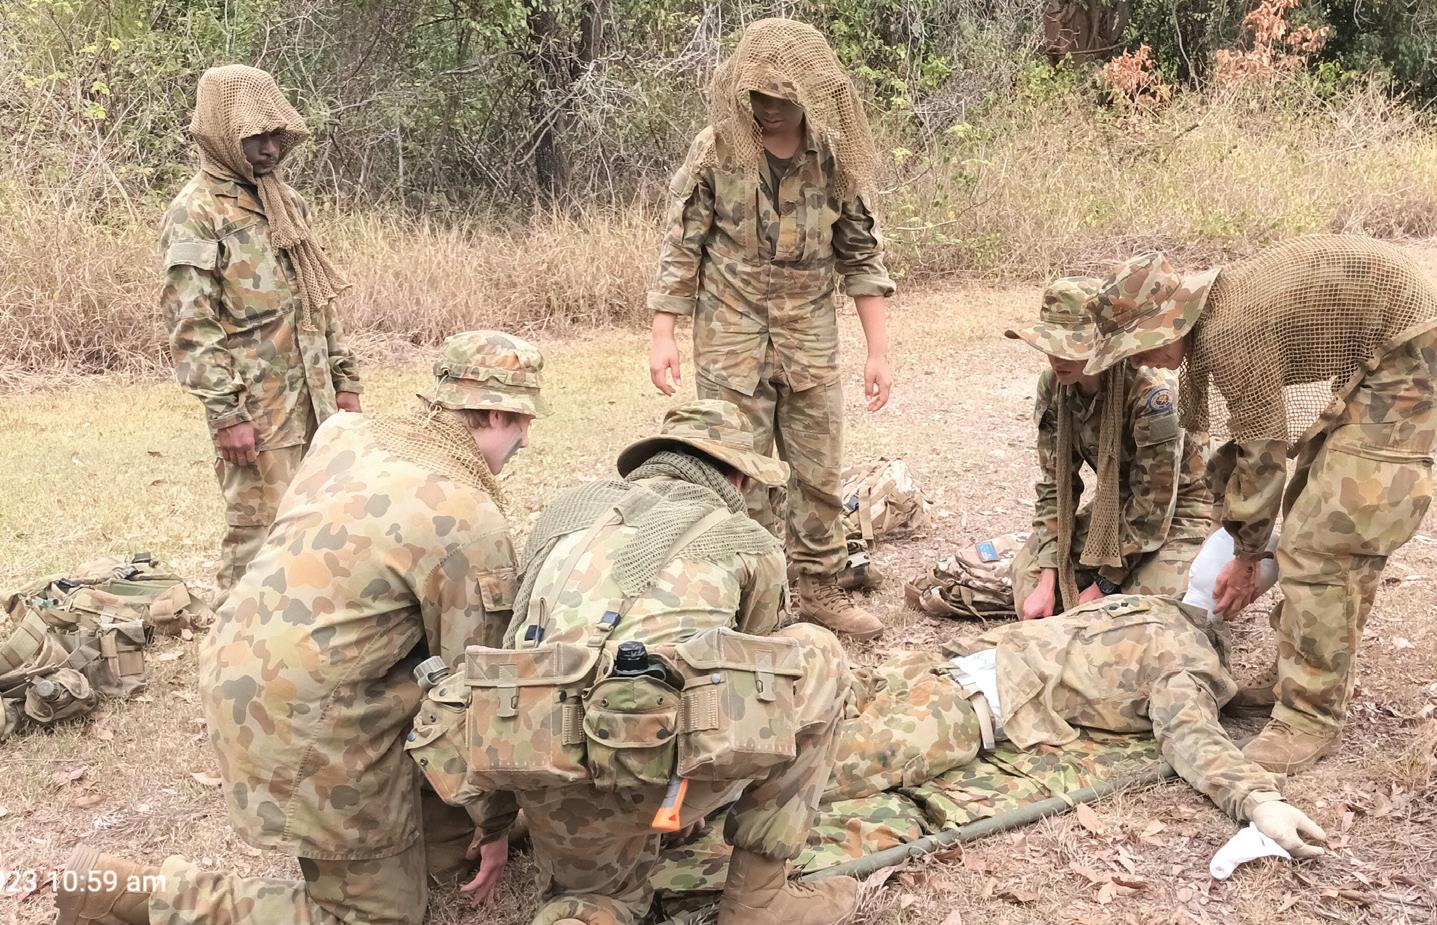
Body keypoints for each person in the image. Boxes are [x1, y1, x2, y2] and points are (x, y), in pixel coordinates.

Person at [53, 331, 547, 925]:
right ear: (495, 413)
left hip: (244, 663)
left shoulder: (346, 434)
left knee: (438, 849)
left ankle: (435, 840)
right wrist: (495, 824)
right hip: (308, 720)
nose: (525, 441)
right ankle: (115, 890)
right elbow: (477, 699)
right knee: (375, 918)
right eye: (523, 424)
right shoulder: (470, 520)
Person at [413, 401, 858, 925]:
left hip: (548, 776)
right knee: (815, 651)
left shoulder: (562, 516)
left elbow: (505, 665)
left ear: (655, 459)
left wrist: (495, 822)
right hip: (665, 766)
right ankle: (759, 901)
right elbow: (756, 677)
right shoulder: (747, 541)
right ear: (738, 477)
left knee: (592, 905)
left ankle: (581, 909)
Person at [1081, 234, 1437, 771]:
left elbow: (1263, 453)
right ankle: (1297, 673)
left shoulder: (1229, 333)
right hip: (1381, 356)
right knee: (1311, 504)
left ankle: (1309, 715)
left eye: (1139, 347)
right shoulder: (1215, 317)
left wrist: (1246, 556)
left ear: (1168, 325)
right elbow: (1245, 448)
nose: (1143, 361)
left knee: (1326, 541)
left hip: (1412, 359)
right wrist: (1236, 530)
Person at [646, 18, 895, 640]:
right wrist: (662, 333)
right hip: (730, 340)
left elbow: (860, 255)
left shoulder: (833, 156)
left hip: (809, 341)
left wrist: (878, 352)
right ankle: (750, 600)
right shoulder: (716, 151)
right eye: (757, 95)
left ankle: (820, 589)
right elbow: (682, 246)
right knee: (738, 474)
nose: (768, 108)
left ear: (809, 94)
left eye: (782, 96)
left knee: (818, 475)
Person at [824, 592, 1327, 860]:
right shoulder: (1187, 663)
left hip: (924, 670)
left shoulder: (1140, 603)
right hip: (952, 711)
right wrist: (1260, 800)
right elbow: (1190, 735)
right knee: (807, 776)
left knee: (793, 723)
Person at [160, 65, 362, 605]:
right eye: (255, 137)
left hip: (318, 399)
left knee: (323, 522)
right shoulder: (196, 212)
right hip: (256, 405)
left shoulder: (285, 202)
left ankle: (305, 628)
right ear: (221, 135)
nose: (269, 148)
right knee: (258, 536)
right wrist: (227, 414)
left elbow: (318, 298)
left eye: (275, 134)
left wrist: (345, 380)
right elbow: (191, 323)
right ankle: (234, 643)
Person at [1004, 276, 1212, 619]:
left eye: (1070, 347)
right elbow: (1056, 486)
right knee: (1029, 581)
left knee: (1131, 612)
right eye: (1050, 345)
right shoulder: (1055, 386)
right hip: (1116, 507)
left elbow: (1155, 503)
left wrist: (1104, 584)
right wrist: (1048, 578)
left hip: (1182, 511)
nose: (1056, 358)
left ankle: (1207, 571)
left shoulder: (1150, 389)